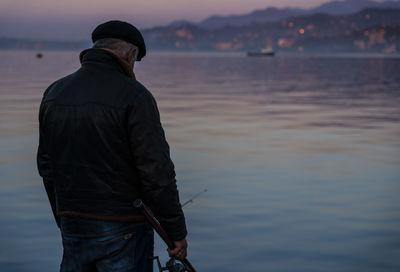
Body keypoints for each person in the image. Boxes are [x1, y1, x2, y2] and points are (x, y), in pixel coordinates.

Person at [37, 20, 188, 272]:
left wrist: (64, 215)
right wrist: (176, 232)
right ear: (130, 54)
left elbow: (46, 165)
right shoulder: (135, 95)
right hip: (124, 227)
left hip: (73, 224)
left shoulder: (54, 92)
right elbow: (156, 172)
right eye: (135, 60)